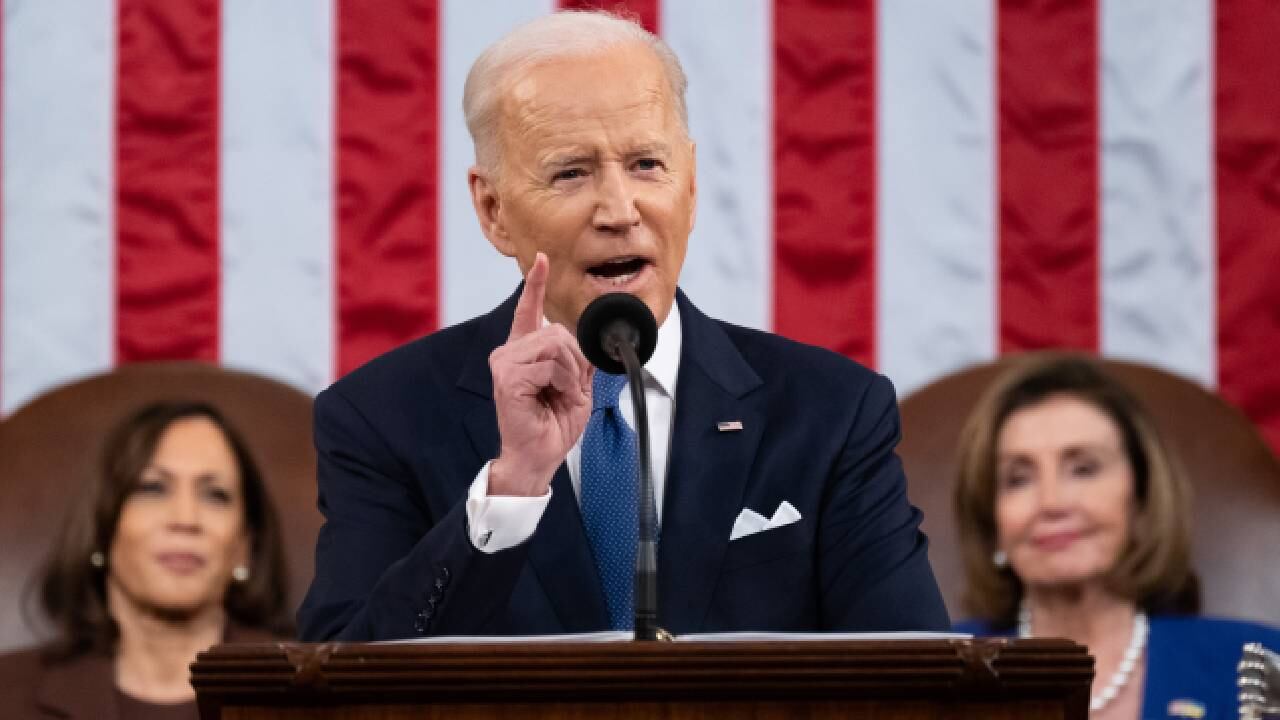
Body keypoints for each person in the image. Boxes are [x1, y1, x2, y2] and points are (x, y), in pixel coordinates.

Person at [298, 10, 947, 641]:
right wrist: (512, 488)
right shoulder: (380, 420)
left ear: (689, 188)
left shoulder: (832, 414)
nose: (619, 209)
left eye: (646, 165)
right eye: (571, 172)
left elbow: (918, 684)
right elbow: (337, 687)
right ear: (493, 210)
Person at [951, 354, 1280, 719]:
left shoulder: (1255, 666)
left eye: (1084, 469)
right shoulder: (935, 673)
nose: (1052, 503)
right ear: (992, 522)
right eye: (1018, 479)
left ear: (1140, 500)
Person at [0, 402, 292, 719]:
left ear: (244, 545)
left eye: (215, 495)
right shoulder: (8, 692)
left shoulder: (315, 696)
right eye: (153, 488)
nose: (185, 518)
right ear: (101, 529)